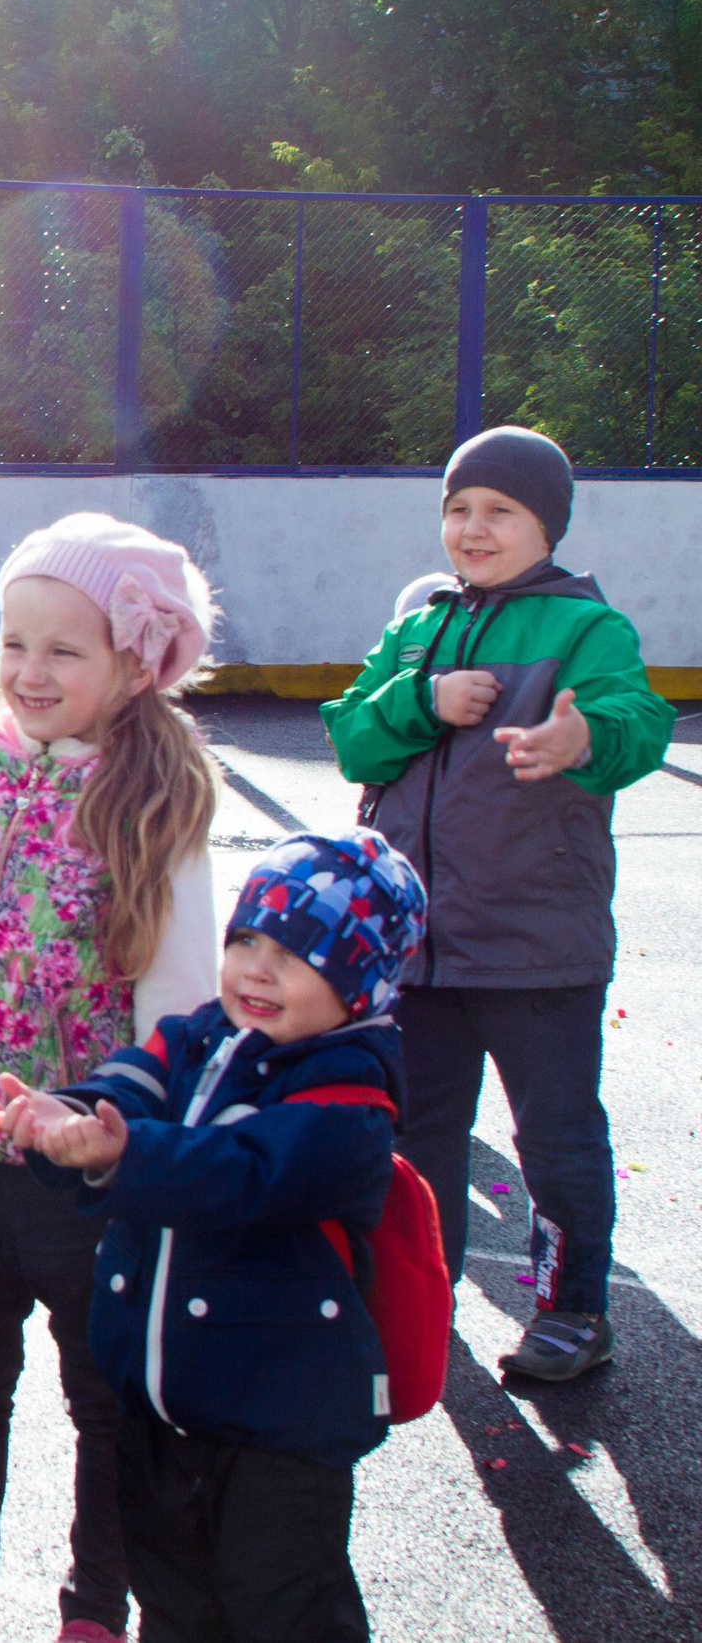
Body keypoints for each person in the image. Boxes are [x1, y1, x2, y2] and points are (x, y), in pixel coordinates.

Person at [0, 513, 224, 1643]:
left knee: (102, 1405)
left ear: (132, 662)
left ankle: (93, 1611)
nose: (27, 671)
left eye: (64, 649)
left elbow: (181, 1008)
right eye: (14, 642)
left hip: (86, 1175)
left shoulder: (148, 805)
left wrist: (146, 1155)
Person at [0, 830, 430, 1643]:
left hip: (279, 1426)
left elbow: (242, 1170)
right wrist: (72, 1118)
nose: (257, 969)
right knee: (176, 1604)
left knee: (283, 1609)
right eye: (246, 940)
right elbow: (133, 1082)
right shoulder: (199, 1036)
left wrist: (126, 1153)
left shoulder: (350, 1095)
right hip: (163, 1406)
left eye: (297, 955)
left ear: (361, 984)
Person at [323, 425, 674, 1383]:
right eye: (458, 509)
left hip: (535, 945)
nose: (473, 528)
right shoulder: (421, 626)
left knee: (554, 1136)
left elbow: (639, 722)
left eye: (499, 511)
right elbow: (354, 738)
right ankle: (415, 1300)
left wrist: (582, 739)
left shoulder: (584, 629)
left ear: (547, 525)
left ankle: (571, 1310)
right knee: (416, 1133)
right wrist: (421, 701)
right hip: (419, 948)